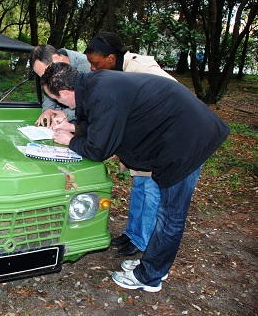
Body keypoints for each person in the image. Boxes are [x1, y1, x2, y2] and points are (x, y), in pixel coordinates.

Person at [41, 62, 229, 292]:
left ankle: (150, 276)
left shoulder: (102, 94)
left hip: (188, 140)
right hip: (178, 133)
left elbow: (99, 148)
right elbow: (106, 123)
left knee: (170, 216)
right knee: (166, 212)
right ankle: (155, 263)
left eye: (59, 100)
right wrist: (74, 128)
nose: (62, 105)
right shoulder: (95, 84)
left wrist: (71, 140)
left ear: (66, 92)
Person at [80, 32, 177, 257]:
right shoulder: (118, 72)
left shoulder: (143, 68)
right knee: (140, 187)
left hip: (161, 140)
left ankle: (142, 241)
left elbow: (172, 95)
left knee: (151, 191)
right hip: (142, 142)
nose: (93, 69)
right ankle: (132, 233)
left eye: (95, 63)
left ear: (111, 58)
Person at [29, 44, 90, 126]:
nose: (47, 79)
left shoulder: (88, 66)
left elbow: (90, 101)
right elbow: (49, 90)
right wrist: (48, 109)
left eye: (47, 74)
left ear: (57, 59)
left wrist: (67, 114)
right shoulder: (49, 65)